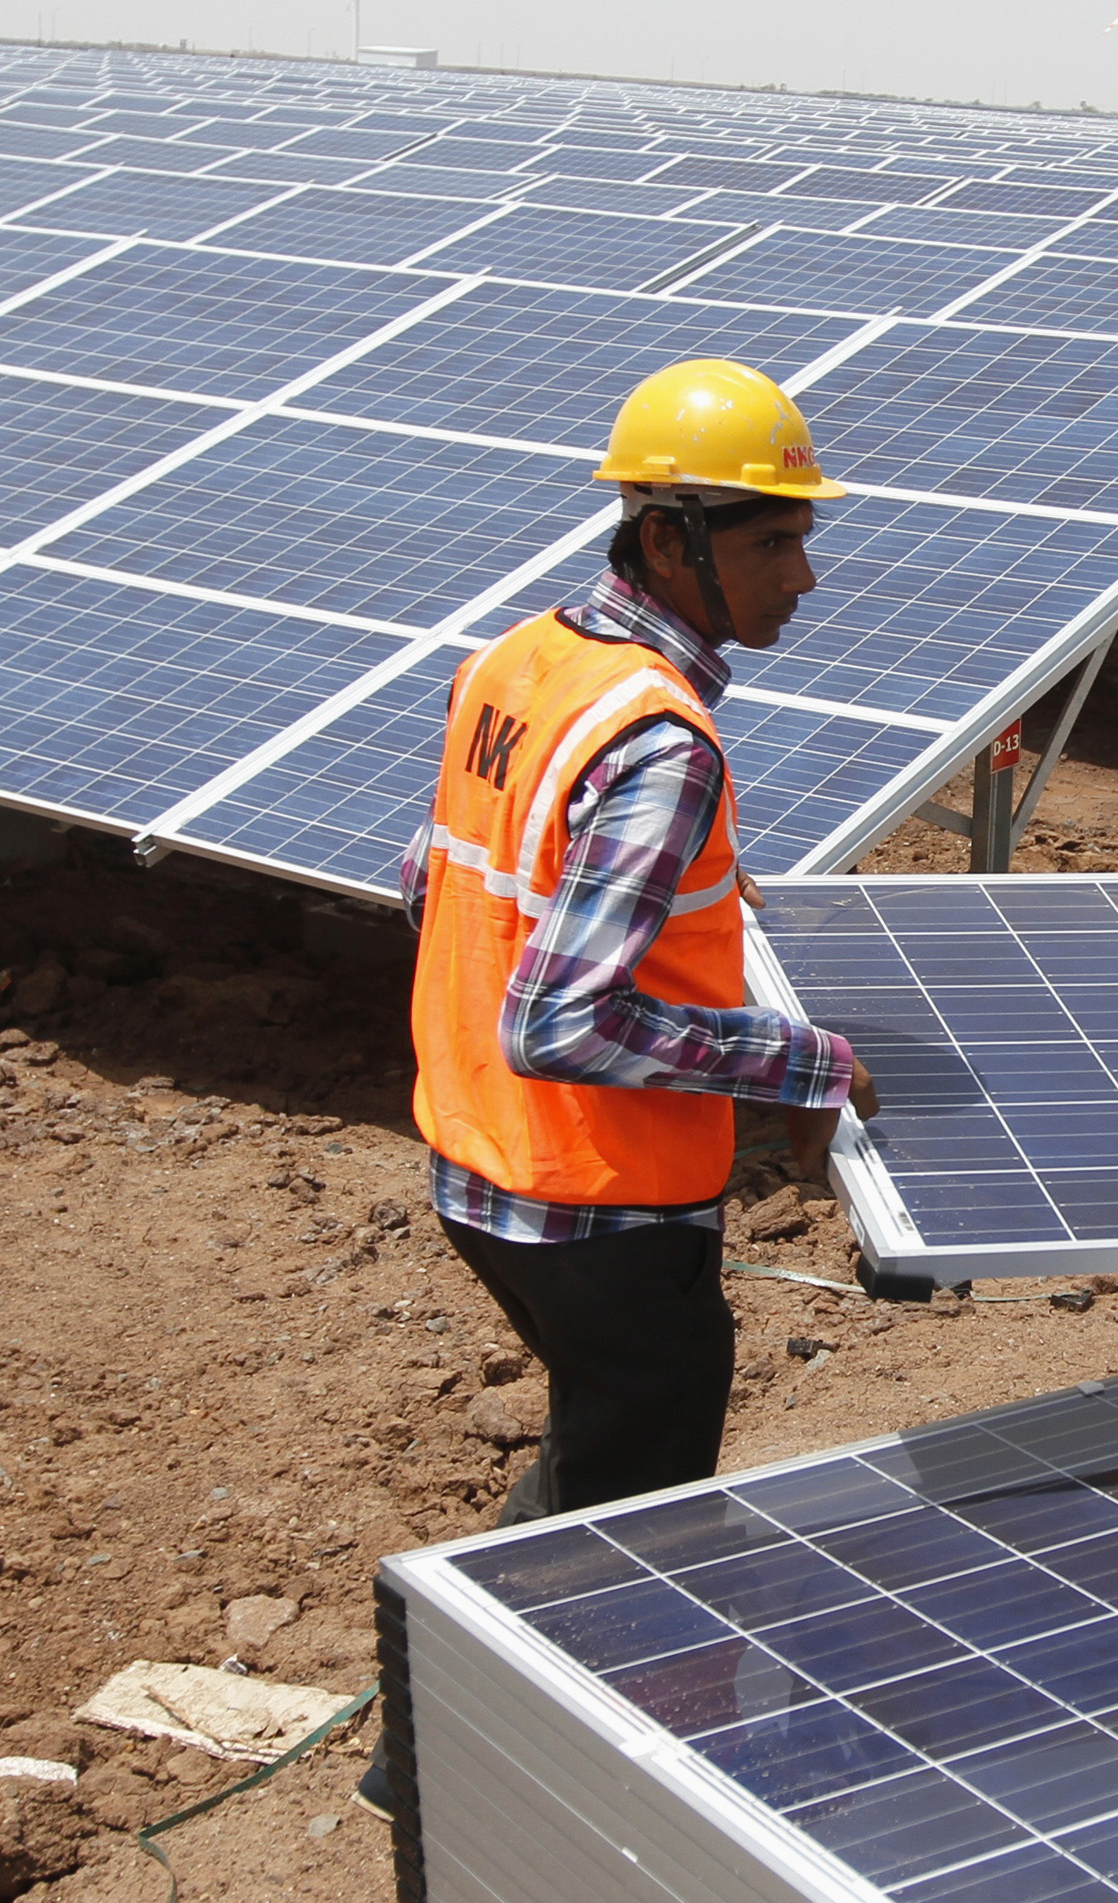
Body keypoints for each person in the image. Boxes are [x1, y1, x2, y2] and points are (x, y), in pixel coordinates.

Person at [401, 358, 880, 1530]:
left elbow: (436, 882)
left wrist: (652, 889)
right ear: (670, 543)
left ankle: (487, 1651)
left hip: (478, 1170)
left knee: (591, 1466)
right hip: (603, 1206)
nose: (804, 578)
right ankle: (504, 1693)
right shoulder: (660, 742)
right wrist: (804, 1066)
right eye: (771, 545)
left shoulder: (518, 661)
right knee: (626, 1532)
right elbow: (558, 1020)